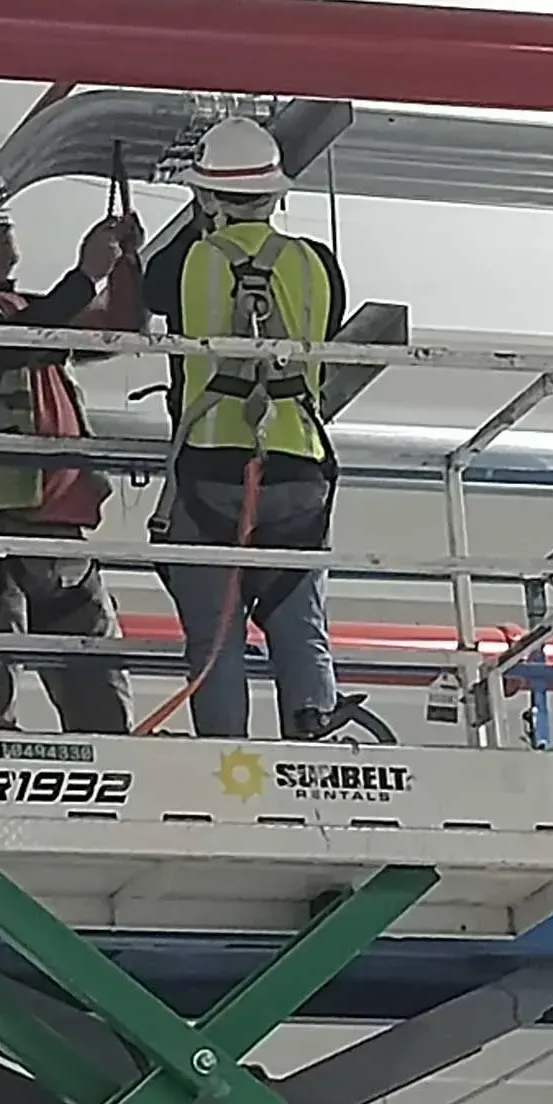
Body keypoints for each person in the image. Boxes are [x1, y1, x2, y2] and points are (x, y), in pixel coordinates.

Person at [142, 117, 347, 741]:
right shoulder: (318, 264)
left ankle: (223, 757)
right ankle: (314, 740)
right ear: (276, 194)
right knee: (298, 622)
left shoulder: (185, 263)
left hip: (212, 469)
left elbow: (148, 293)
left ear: (206, 196)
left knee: (216, 634)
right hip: (298, 469)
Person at [0, 210, 144, 734]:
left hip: (56, 527)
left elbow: (112, 328)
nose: (3, 221)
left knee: (96, 680)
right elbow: (17, 341)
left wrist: (126, 268)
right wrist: (86, 276)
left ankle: (113, 757)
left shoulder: (21, 309)